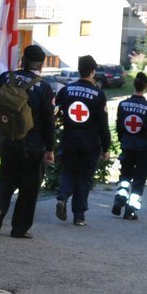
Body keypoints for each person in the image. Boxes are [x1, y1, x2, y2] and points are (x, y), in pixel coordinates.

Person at [0, 43, 55, 239]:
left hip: (7, 141)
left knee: (7, 177)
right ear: (40, 65)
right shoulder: (44, 87)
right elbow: (49, 121)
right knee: (29, 187)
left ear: (22, 60)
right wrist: (50, 148)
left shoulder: (7, 77)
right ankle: (19, 228)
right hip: (34, 146)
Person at [53, 55, 111, 226]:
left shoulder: (66, 90)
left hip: (69, 139)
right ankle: (79, 216)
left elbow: (56, 115)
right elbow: (103, 125)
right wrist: (106, 147)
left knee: (68, 172)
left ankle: (62, 197)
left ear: (79, 70)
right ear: (93, 72)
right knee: (84, 178)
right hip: (90, 143)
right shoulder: (98, 94)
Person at [111, 72, 147, 220]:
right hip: (143, 148)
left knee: (125, 175)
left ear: (133, 86)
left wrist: (123, 141)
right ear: (146, 87)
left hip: (127, 145)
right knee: (139, 180)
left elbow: (119, 127)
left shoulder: (123, 104)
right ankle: (130, 211)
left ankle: (119, 200)